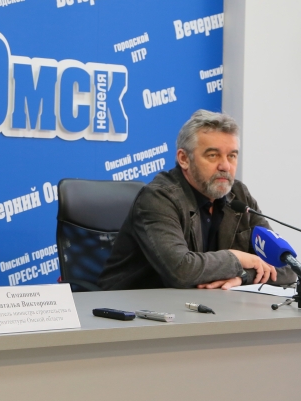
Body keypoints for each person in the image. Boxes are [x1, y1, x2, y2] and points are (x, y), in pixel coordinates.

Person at [99, 109, 296, 291]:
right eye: (213, 155)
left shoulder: (239, 195)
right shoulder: (158, 197)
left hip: (205, 306)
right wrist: (236, 258)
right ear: (184, 159)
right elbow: (181, 271)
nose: (225, 166)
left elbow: (287, 267)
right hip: (134, 307)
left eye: (232, 156)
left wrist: (243, 276)